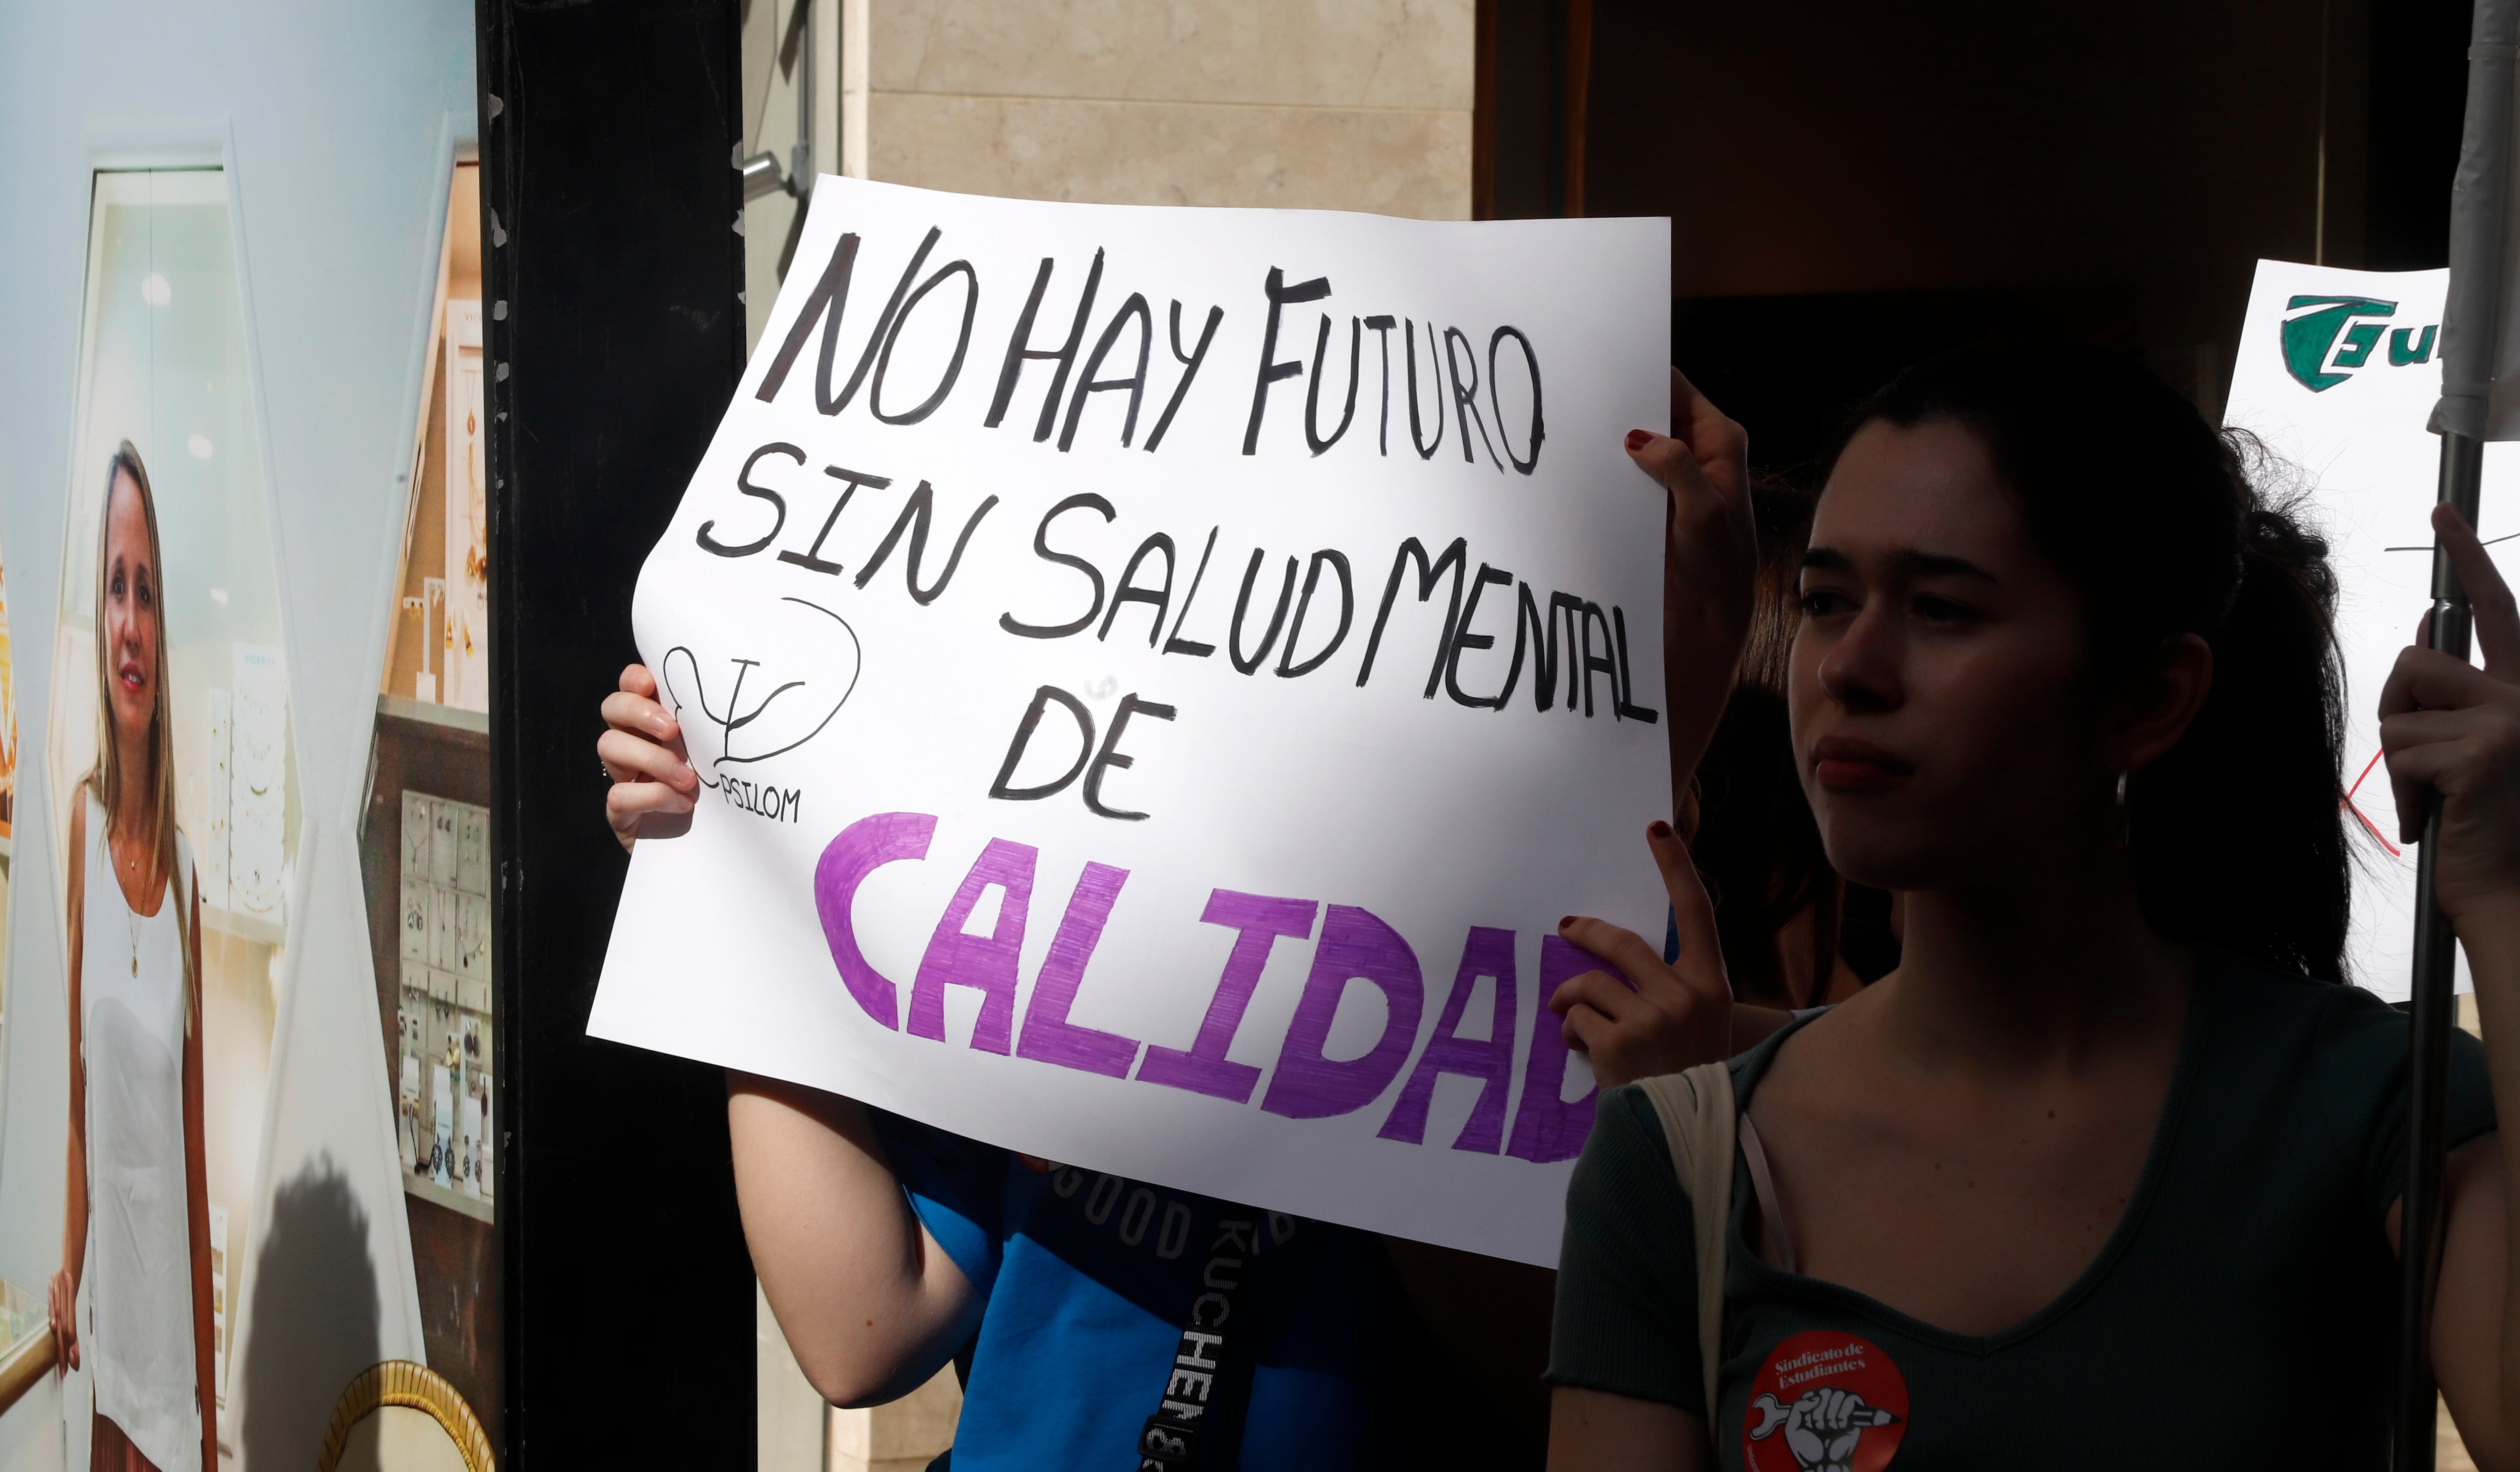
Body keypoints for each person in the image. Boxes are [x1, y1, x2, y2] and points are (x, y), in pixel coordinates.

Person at [595, 372, 1758, 1470]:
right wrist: (737, 861)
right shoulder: (1042, 888)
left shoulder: (1581, 959)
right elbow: (859, 1327)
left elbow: (1565, 1402)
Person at [1543, 345, 2515, 1469]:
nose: (1848, 667)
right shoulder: (1682, 1151)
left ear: (2150, 698)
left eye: (1943, 609)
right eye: (1823, 598)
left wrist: (2503, 892)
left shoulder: (2372, 1099)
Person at [49, 442, 218, 1472]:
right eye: (115, 587)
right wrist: (62, 1266)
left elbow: (194, 1172)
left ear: (167, 629)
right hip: (103, 1361)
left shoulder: (192, 882)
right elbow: (77, 1097)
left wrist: (206, 1418)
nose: (128, 621)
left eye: (146, 591)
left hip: (170, 1387)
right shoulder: (76, 826)